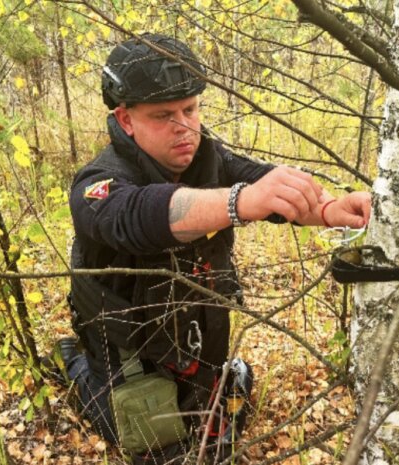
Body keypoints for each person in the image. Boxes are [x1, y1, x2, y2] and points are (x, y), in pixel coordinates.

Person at [59, 33, 371, 464]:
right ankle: (73, 365)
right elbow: (138, 215)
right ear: (126, 120)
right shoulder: (97, 184)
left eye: (191, 109)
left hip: (192, 343)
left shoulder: (207, 157)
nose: (184, 127)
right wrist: (237, 202)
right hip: (129, 355)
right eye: (163, 115)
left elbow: (264, 183)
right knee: (156, 449)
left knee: (227, 417)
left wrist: (331, 208)